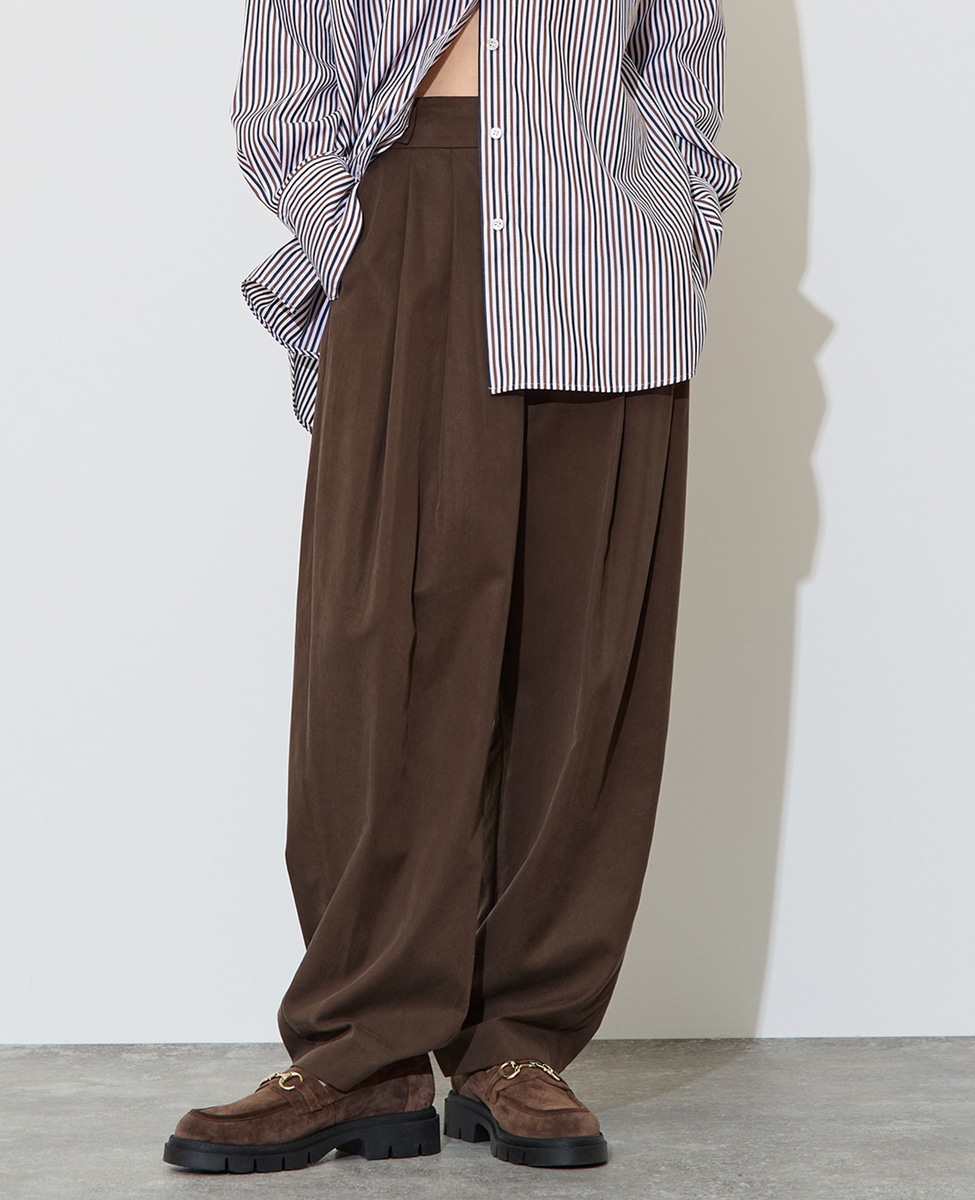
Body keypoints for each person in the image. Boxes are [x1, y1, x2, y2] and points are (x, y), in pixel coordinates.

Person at [163, 0, 741, 1175]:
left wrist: (669, 225)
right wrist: (358, 233)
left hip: (606, 241)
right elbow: (284, 75)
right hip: (410, 218)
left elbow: (684, 50)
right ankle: (362, 1050)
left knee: (581, 655)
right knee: (380, 649)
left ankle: (519, 1044)